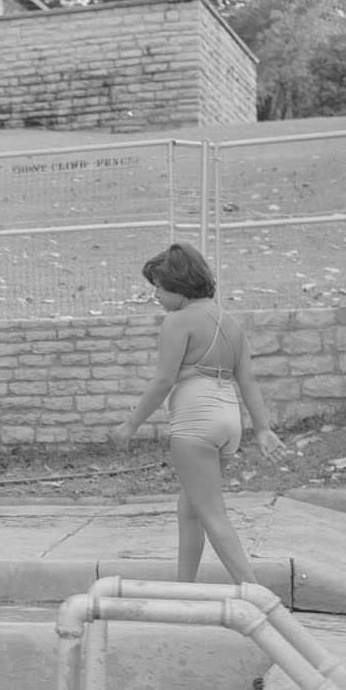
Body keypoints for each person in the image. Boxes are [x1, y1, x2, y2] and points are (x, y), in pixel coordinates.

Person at [109, 243, 286, 583]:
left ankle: (257, 595)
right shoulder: (230, 322)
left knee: (211, 514)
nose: (156, 295)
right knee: (190, 510)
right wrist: (262, 428)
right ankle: (185, 588)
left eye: (159, 287)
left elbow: (163, 381)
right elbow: (247, 379)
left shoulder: (178, 321)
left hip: (196, 421)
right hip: (227, 417)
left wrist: (130, 424)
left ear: (180, 285)